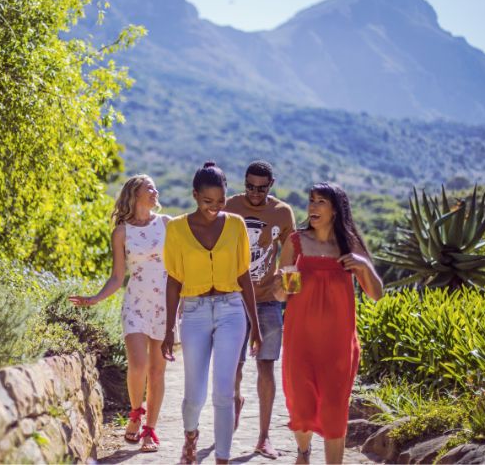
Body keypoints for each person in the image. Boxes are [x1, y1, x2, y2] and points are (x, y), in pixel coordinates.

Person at [161, 161, 262, 465]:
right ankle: (191, 436)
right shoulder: (176, 228)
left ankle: (222, 459)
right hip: (194, 312)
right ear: (194, 195)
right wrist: (168, 330)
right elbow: (173, 281)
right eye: (207, 201)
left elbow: (243, 275)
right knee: (194, 395)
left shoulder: (236, 225)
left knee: (224, 392)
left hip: (232, 311)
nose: (214, 207)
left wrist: (255, 326)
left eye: (220, 201)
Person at [276, 182, 383, 464]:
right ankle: (303, 452)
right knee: (301, 409)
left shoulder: (350, 246)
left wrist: (363, 265)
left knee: (335, 412)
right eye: (311, 200)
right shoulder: (296, 243)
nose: (312, 206)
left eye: (320, 201)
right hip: (300, 342)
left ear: (335, 209)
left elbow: (376, 294)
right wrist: (285, 279)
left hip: (338, 346)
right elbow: (283, 294)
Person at [69, 174, 168, 453]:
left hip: (165, 304)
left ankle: (150, 430)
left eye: (155, 187)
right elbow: (117, 277)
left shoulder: (167, 224)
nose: (155, 191)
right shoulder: (122, 232)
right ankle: (136, 412)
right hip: (135, 303)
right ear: (135, 194)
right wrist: (95, 298)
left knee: (157, 371)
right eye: (149, 188)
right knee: (138, 365)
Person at [224, 160, 295, 459]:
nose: (254, 193)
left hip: (267, 300)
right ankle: (235, 402)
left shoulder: (282, 212)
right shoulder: (229, 206)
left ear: (271, 185)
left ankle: (264, 437)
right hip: (233, 299)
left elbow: (291, 258)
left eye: (261, 188)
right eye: (249, 187)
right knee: (234, 365)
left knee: (266, 365)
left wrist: (289, 295)